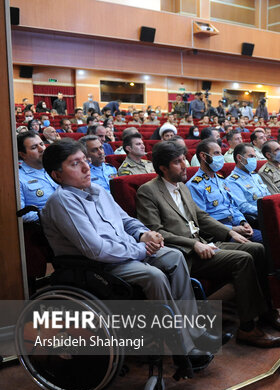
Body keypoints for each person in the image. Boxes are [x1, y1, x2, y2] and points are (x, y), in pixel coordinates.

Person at [41, 139, 224, 376]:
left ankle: (194, 331)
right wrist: (141, 250)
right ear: (57, 175)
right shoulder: (62, 201)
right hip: (97, 266)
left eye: (85, 161)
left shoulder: (97, 190)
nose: (86, 167)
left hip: (127, 252)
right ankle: (182, 348)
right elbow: (96, 250)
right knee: (154, 276)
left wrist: (143, 233)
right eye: (75, 164)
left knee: (175, 257)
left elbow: (126, 220)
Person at [136, 142, 280, 348]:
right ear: (163, 168)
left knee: (257, 249)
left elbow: (202, 217)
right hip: (183, 254)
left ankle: (266, 310)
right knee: (243, 259)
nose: (185, 165)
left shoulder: (182, 187)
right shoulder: (148, 192)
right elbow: (156, 232)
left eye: (183, 160)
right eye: (177, 162)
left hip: (204, 243)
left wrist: (229, 231)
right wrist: (193, 244)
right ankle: (247, 328)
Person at [187, 140, 262, 243]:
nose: (221, 157)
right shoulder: (195, 185)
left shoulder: (221, 180)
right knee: (260, 245)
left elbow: (232, 206)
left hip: (235, 224)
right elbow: (202, 220)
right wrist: (232, 230)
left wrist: (243, 222)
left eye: (221, 153)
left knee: (269, 238)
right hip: (218, 232)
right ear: (203, 156)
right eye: (216, 153)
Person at [17, 131, 58, 222]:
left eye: (42, 144)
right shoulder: (18, 179)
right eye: (34, 147)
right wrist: (51, 214)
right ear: (22, 154)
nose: (42, 149)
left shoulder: (55, 168)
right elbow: (21, 214)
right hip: (48, 227)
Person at [225, 144, 271, 223]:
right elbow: (243, 206)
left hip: (269, 214)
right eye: (251, 156)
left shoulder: (255, 176)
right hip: (257, 219)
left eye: (254, 157)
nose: (254, 160)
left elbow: (268, 195)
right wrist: (267, 211)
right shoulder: (232, 181)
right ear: (239, 158)